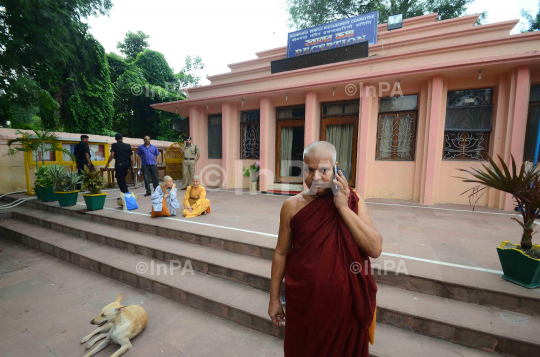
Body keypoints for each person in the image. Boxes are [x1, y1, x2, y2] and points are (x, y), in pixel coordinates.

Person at [268, 141, 382, 357]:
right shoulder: (292, 206)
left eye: (324, 170)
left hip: (345, 312)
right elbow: (281, 253)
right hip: (305, 309)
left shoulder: (353, 202)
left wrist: (342, 207)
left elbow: (375, 248)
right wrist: (274, 299)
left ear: (336, 168)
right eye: (310, 170)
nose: (316, 177)